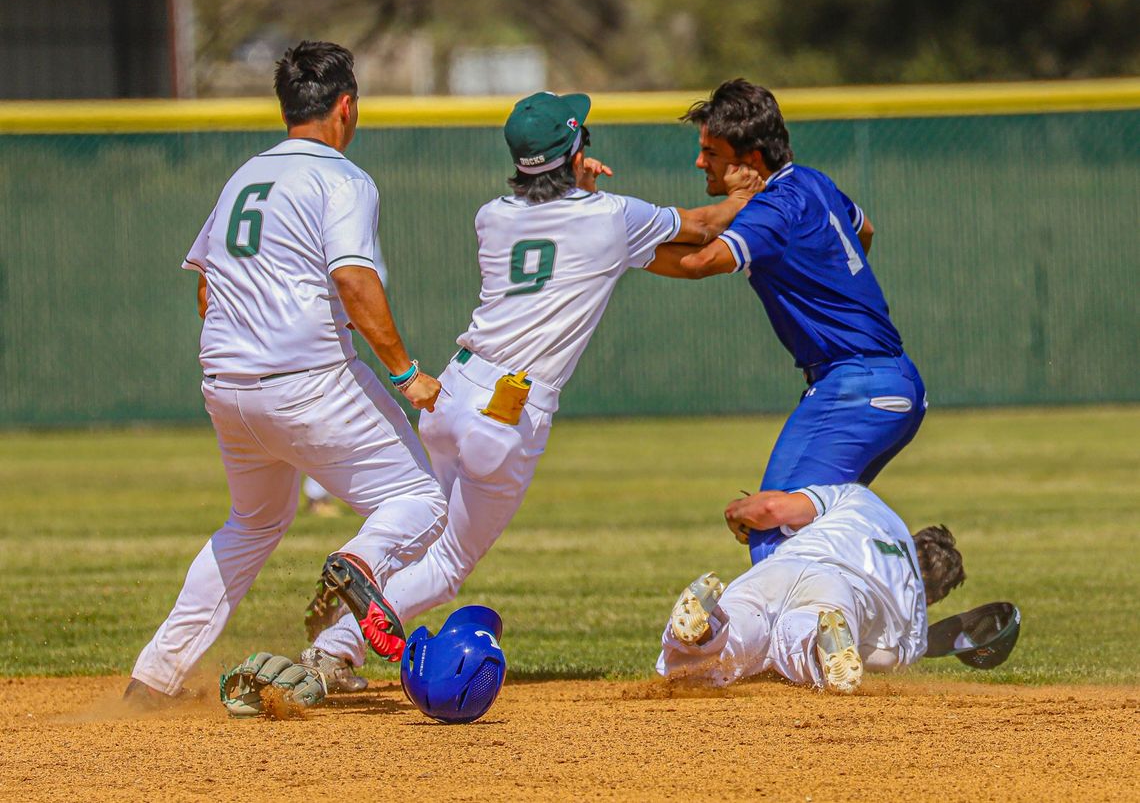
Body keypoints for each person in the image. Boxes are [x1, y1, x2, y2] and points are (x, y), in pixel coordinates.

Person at [303, 90, 764, 671]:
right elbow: (700, 227)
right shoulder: (610, 216)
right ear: (575, 151)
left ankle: (361, 564)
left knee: (425, 523)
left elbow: (568, 237)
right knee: (447, 566)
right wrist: (748, 191)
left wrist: (577, 183)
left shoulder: (491, 216)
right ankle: (333, 650)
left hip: (451, 392)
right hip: (507, 413)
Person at [123, 40, 447, 708]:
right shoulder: (341, 178)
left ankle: (152, 680)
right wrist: (407, 372)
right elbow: (353, 280)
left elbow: (208, 288)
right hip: (309, 382)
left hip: (228, 386)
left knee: (251, 524)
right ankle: (359, 565)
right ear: (346, 106)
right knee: (423, 501)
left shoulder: (245, 175)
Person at [649, 79, 927, 565]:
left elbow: (696, 262)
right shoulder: (813, 182)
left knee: (769, 524)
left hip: (852, 388)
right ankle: (902, 591)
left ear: (750, 161)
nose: (700, 162)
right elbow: (865, 228)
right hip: (897, 383)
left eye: (710, 152)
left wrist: (605, 247)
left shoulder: (774, 208)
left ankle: (841, 622)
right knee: (820, 527)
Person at [659, 483, 964, 693]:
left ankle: (709, 626)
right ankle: (819, 646)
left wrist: (736, 512)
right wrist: (857, 648)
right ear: (934, 595)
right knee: (796, 638)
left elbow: (772, 508)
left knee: (746, 616)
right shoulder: (915, 612)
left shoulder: (859, 498)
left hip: (786, 564)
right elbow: (887, 660)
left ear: (914, 538)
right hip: (841, 592)